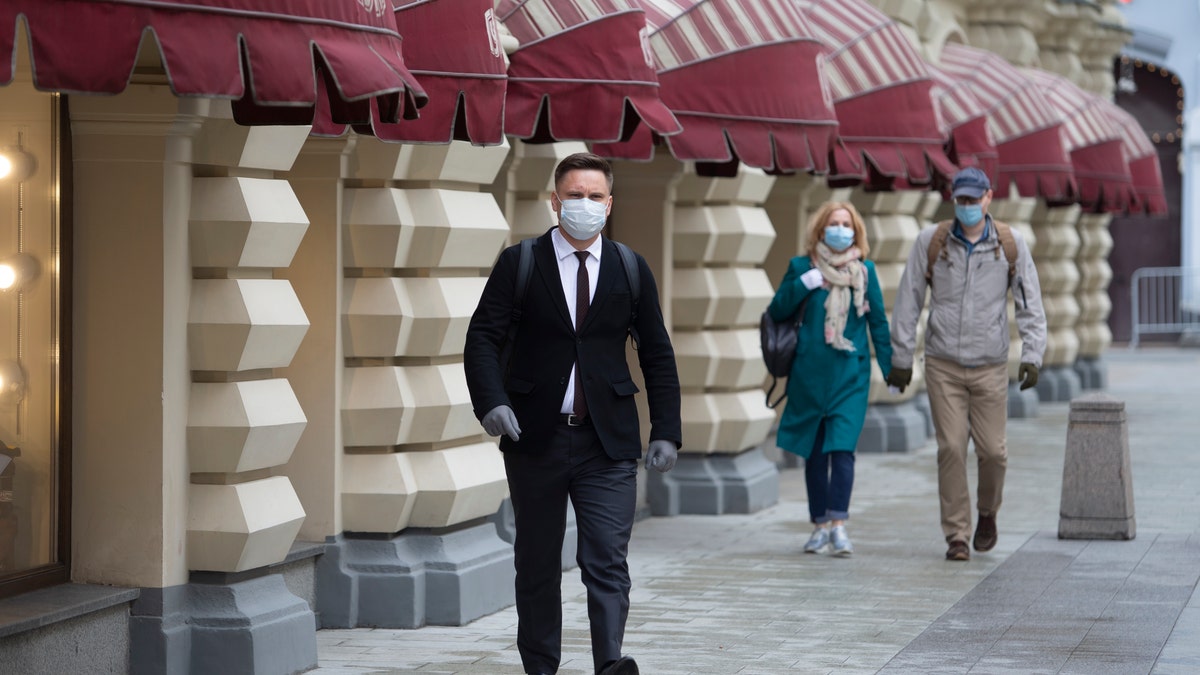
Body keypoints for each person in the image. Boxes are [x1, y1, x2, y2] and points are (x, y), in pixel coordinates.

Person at [464, 152, 682, 675]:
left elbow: (656, 351)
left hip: (606, 443)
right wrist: (492, 402)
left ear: (609, 204)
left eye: (594, 196)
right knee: (537, 563)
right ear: (554, 201)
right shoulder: (520, 263)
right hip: (534, 439)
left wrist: (666, 430)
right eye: (574, 196)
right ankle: (541, 667)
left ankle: (610, 664)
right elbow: (482, 339)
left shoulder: (630, 269)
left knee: (606, 559)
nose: (583, 205)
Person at [885, 166, 1047, 562]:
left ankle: (987, 513)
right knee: (951, 448)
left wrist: (1032, 354)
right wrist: (901, 357)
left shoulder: (1009, 244)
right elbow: (909, 300)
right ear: (953, 199)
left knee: (993, 452)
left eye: (975, 199)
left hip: (990, 365)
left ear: (989, 197)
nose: (968, 206)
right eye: (962, 200)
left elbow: (1030, 303)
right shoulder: (933, 241)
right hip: (944, 365)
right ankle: (957, 534)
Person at [767, 201, 892, 557]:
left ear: (856, 231)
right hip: (809, 376)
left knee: (842, 449)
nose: (841, 229)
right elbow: (777, 311)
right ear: (821, 231)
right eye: (834, 224)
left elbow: (878, 323)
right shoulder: (800, 267)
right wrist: (804, 284)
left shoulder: (865, 271)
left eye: (846, 224)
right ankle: (819, 524)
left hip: (849, 376)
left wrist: (891, 368)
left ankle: (839, 525)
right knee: (815, 453)